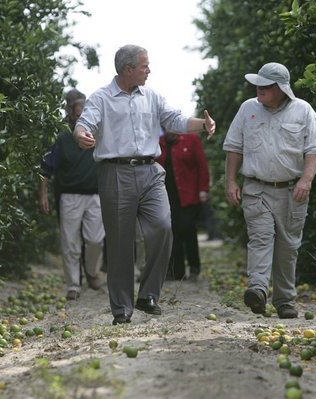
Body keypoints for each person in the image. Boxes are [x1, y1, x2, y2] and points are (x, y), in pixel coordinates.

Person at [73, 44, 216, 325]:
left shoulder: (151, 96)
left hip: (151, 171)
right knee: (120, 243)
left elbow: (174, 119)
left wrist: (203, 124)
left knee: (163, 226)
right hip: (115, 172)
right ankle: (121, 309)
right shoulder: (101, 98)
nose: (149, 70)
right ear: (128, 69)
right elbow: (84, 123)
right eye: (144, 66)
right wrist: (81, 134)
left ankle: (148, 294)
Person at [223, 62, 316, 319]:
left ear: (280, 88)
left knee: (288, 248)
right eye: (257, 84)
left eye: (265, 86)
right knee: (260, 238)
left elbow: (313, 152)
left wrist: (306, 180)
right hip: (256, 189)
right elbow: (234, 147)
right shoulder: (248, 109)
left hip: (293, 191)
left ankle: (284, 301)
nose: (259, 89)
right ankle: (257, 289)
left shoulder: (304, 111)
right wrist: (231, 181)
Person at [40, 89, 105, 300]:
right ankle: (73, 285)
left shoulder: (97, 134)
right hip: (69, 196)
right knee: (70, 243)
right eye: (78, 110)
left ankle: (92, 272)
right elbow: (45, 169)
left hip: (95, 195)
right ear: (70, 112)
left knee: (95, 240)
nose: (82, 114)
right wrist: (43, 195)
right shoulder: (63, 138)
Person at [157, 129, 210, 282]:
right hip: (167, 195)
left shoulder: (191, 140)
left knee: (187, 228)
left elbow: (202, 165)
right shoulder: (159, 143)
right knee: (172, 231)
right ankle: (176, 271)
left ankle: (194, 266)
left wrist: (203, 189)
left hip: (189, 194)